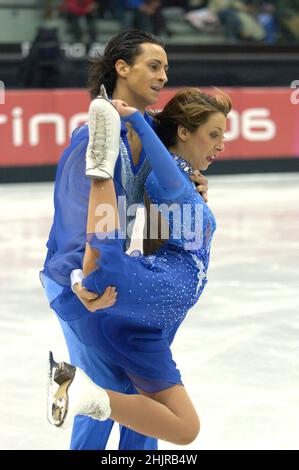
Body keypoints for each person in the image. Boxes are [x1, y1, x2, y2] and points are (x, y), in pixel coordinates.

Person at [41, 30, 208, 450]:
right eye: (154, 66)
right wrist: (83, 279)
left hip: (121, 271)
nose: (163, 76)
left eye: (166, 68)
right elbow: (75, 220)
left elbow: (160, 210)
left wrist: (192, 198)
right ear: (122, 67)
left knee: (140, 393)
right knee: (106, 386)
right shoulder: (92, 138)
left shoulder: (150, 132)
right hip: (76, 281)